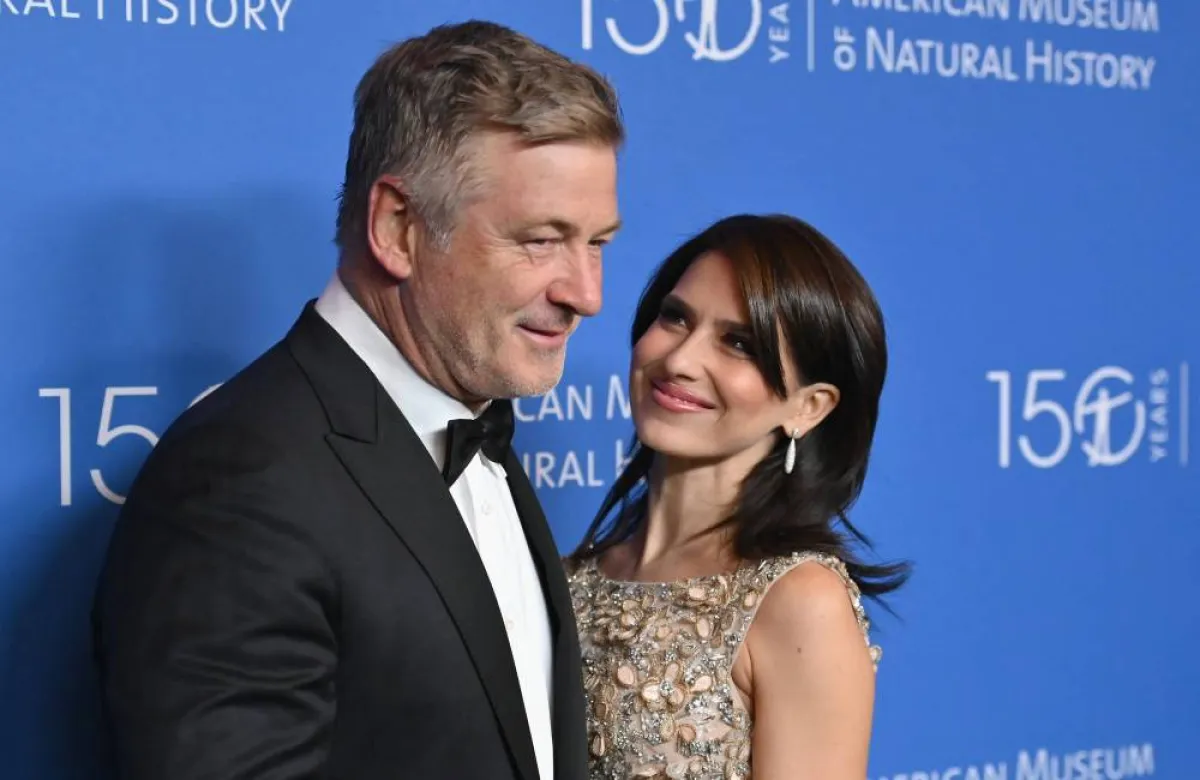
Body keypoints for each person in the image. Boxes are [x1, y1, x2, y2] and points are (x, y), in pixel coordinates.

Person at [91, 20, 623, 780]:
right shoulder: (242, 480)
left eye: (598, 242)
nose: (586, 293)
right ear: (397, 228)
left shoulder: (474, 426)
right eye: (541, 240)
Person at [565, 214, 911, 779]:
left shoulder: (800, 602)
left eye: (739, 343)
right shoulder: (565, 576)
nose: (679, 361)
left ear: (808, 407)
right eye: (675, 318)